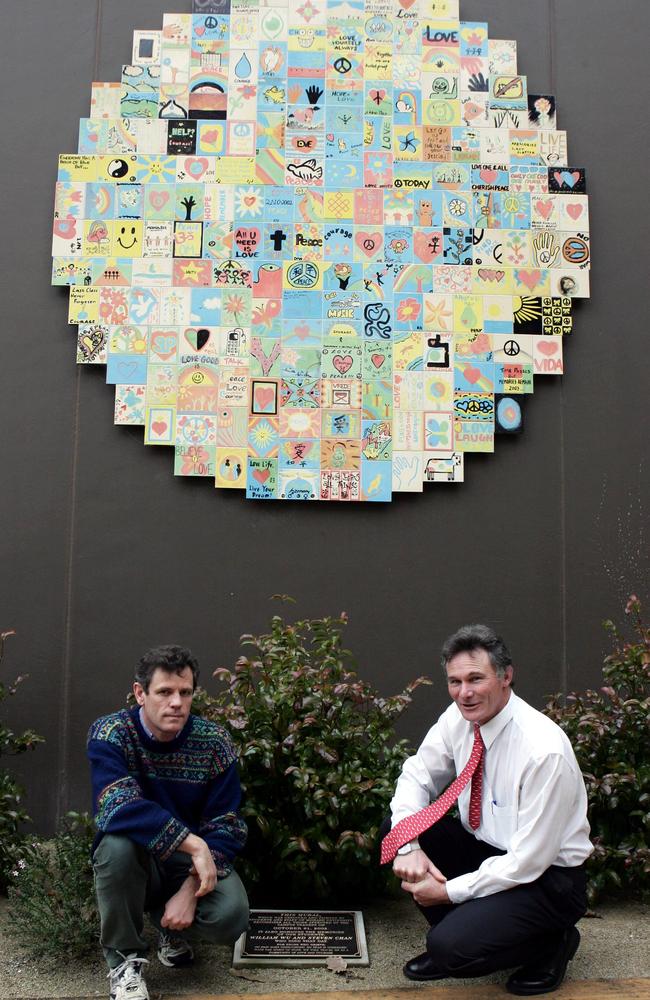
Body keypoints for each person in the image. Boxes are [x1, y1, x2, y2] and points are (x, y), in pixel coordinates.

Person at [381, 624, 592, 996]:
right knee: (396, 829)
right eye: (455, 681)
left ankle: (552, 942)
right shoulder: (459, 717)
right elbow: (418, 774)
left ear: (506, 676)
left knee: (450, 949)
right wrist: (409, 846)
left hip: (546, 879)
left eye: (476, 679)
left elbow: (528, 861)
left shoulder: (543, 751)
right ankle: (467, 935)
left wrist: (447, 892)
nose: (464, 693)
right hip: (486, 850)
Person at [87, 645, 249, 1000]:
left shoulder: (214, 741)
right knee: (116, 845)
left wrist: (190, 889)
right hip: (137, 857)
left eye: (185, 692)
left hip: (184, 865)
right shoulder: (111, 733)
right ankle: (125, 962)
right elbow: (118, 806)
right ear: (140, 693)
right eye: (164, 692)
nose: (176, 702)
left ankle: (171, 930)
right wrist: (195, 844)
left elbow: (228, 824)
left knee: (230, 915)